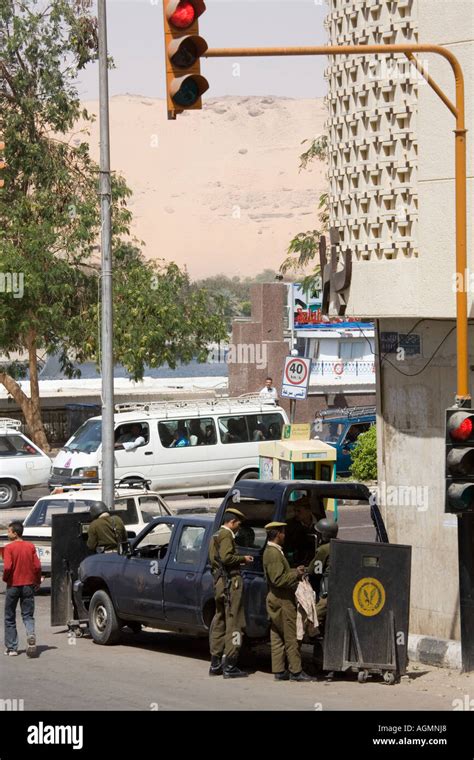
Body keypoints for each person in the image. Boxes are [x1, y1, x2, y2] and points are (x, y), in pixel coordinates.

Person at [262, 522, 313, 681]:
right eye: (283, 532)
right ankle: (296, 671)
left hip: (275, 597)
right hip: (282, 599)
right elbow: (278, 579)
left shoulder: (273, 551)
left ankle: (278, 670)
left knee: (276, 634)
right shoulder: (273, 553)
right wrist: (295, 574)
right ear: (278, 534)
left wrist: (292, 571)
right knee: (291, 635)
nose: (285, 535)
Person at [208, 508, 254, 678]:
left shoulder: (215, 535)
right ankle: (230, 665)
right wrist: (243, 559)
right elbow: (227, 558)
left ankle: (215, 663)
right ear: (232, 522)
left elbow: (215, 560)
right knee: (235, 623)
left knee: (219, 621)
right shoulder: (226, 535)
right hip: (231, 583)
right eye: (238, 524)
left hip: (220, 582)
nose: (239, 527)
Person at [3, 521, 42, 657]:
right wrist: (37, 581)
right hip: (28, 586)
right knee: (28, 615)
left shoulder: (9, 548)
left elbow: (7, 567)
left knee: (9, 616)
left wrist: (5, 578)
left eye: (9, 531)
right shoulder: (30, 546)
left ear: (15, 533)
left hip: (13, 585)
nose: (7, 534)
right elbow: (37, 566)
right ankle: (30, 634)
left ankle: (12, 648)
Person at [307, 517, 339, 638]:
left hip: (328, 592)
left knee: (313, 618)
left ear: (324, 535)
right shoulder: (339, 544)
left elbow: (314, 570)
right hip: (339, 587)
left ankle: (312, 636)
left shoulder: (323, 549)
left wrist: (303, 570)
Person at [284, 496, 319, 567]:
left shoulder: (320, 520)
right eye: (295, 511)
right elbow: (287, 546)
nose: (296, 514)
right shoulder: (290, 525)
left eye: (299, 511)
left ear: (308, 511)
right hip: (299, 561)